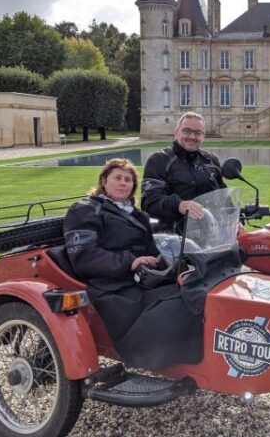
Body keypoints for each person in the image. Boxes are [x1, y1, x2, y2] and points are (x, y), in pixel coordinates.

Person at [63, 158, 202, 369]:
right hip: (109, 285)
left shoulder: (138, 215)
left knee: (193, 290)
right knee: (175, 304)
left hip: (141, 278)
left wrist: (175, 268)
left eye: (128, 180)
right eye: (117, 178)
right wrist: (130, 262)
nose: (123, 183)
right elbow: (84, 256)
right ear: (104, 181)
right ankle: (153, 359)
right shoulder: (85, 209)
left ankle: (187, 357)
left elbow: (153, 252)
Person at [141, 112, 226, 232]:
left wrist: (235, 220)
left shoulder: (211, 161)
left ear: (203, 136)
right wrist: (179, 205)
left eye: (198, 133)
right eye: (187, 131)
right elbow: (149, 202)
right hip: (175, 238)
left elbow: (224, 198)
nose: (192, 136)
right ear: (176, 133)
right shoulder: (159, 159)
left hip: (212, 235)